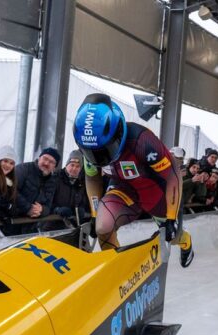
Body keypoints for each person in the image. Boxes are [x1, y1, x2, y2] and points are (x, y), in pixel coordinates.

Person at [72, 93, 193, 267]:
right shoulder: (90, 149)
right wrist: (95, 213)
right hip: (123, 190)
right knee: (102, 227)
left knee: (173, 236)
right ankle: (117, 271)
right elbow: (92, 179)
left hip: (156, 193)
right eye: (91, 153)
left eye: (105, 150)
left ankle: (185, 240)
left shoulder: (143, 140)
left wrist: (171, 217)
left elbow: (173, 175)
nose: (98, 158)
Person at [41, 149, 89, 234]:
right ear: (67, 165)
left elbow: (83, 200)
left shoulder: (81, 182)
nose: (74, 168)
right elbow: (44, 201)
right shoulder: (55, 178)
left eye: (77, 166)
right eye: (72, 165)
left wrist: (81, 208)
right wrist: (57, 209)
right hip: (49, 226)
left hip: (69, 228)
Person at [14, 147, 59, 234]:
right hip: (11, 223)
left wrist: (41, 210)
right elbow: (12, 191)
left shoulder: (52, 182)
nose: (46, 163)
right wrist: (28, 208)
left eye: (51, 162)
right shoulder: (23, 169)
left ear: (54, 167)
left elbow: (48, 206)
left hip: (30, 228)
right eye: (45, 158)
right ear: (39, 158)